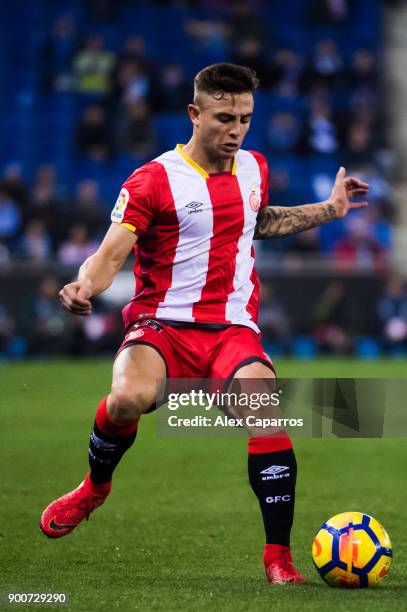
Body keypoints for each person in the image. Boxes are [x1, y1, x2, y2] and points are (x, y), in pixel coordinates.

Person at [40, 63, 368, 585]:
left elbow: (257, 220)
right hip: (161, 325)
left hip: (231, 330)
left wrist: (330, 209)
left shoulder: (254, 167)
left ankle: (278, 558)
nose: (236, 129)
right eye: (223, 117)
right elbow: (110, 254)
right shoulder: (153, 180)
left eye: (245, 118)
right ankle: (93, 488)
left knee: (265, 413)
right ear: (194, 114)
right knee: (127, 399)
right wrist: (85, 286)